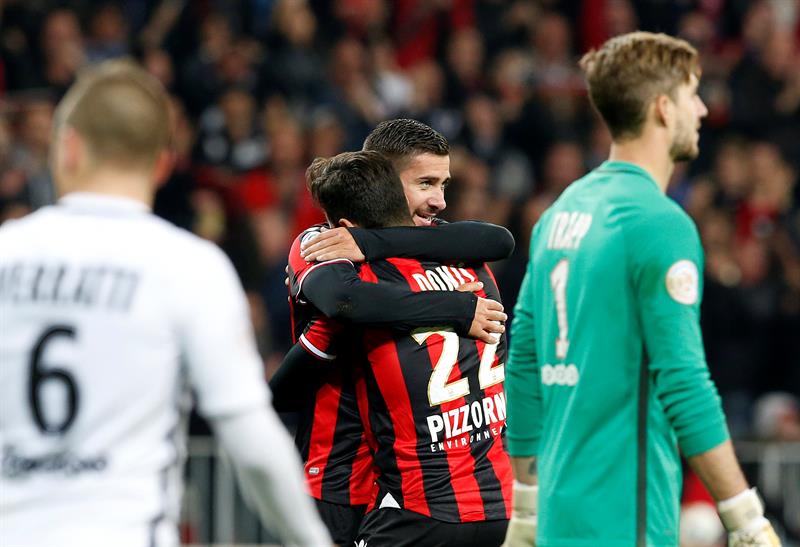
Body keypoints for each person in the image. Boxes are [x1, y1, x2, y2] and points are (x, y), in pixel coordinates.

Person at [0, 59, 331, 547]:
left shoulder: (6, 252)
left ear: (67, 147)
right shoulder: (189, 266)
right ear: (163, 162)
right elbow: (253, 443)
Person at [502, 32, 781, 547]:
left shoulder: (560, 212)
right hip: (623, 517)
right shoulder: (660, 223)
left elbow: (521, 362)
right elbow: (684, 382)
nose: (699, 109)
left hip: (559, 514)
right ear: (661, 107)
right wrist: (745, 518)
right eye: (691, 94)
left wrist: (526, 503)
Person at [274, 118, 515, 546]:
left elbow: (499, 240)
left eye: (444, 184)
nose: (440, 200)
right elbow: (346, 303)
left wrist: (375, 243)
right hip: (338, 473)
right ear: (381, 177)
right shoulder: (325, 244)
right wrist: (459, 309)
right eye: (425, 183)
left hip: (411, 477)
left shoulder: (434, 247)